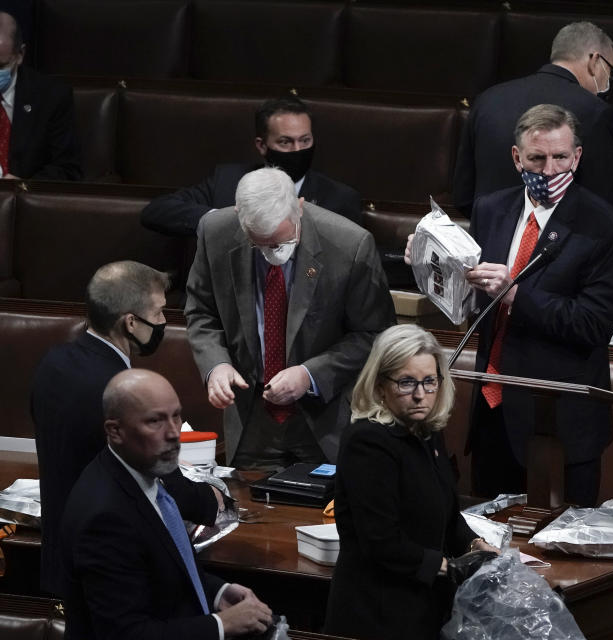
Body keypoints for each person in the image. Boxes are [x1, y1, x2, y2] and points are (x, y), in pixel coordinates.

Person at [459, 104, 613, 506]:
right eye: (537, 158)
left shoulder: (604, 226)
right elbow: (473, 302)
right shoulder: (490, 208)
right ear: (517, 158)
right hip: (491, 409)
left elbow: (593, 325)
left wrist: (516, 294)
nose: (550, 171)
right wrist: (432, 262)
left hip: (558, 425)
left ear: (578, 156)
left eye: (560, 158)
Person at [31, 261, 221, 597]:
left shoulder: (53, 363)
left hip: (59, 556)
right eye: (159, 312)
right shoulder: (118, 390)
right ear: (131, 322)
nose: (163, 322)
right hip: (112, 563)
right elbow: (157, 476)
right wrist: (212, 501)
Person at [185, 167, 395, 469]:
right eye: (259, 244)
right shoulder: (215, 231)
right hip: (251, 415)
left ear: (299, 206)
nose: (272, 253)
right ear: (238, 215)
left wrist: (310, 374)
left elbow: (375, 333)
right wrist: (216, 364)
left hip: (325, 416)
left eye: (281, 243)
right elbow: (201, 310)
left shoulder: (350, 244)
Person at [60, 369, 274, 639]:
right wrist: (222, 625)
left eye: (176, 416)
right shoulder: (105, 517)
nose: (174, 433)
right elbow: (126, 633)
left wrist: (217, 591)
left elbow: (164, 570)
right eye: (155, 421)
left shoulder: (146, 471)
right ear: (115, 431)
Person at [324, 324, 498, 640]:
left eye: (429, 382)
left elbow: (446, 514)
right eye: (407, 382)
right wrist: (451, 567)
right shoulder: (368, 442)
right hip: (378, 616)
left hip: (425, 609)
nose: (420, 394)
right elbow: (381, 541)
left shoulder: (426, 432)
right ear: (379, 386)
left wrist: (475, 545)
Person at [452, 21, 613, 217]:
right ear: (595, 61)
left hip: (490, 241)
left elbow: (463, 196)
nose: (609, 82)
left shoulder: (486, 100)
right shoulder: (597, 111)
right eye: (610, 72)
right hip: (563, 243)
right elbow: (603, 204)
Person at [141, 96, 362, 236]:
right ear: (262, 145)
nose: (297, 150)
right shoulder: (227, 181)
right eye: (285, 142)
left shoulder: (339, 198)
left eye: (305, 141)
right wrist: (224, 220)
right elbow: (157, 211)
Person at [0, 10, 81, 180]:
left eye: (1, 66)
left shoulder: (52, 97)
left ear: (20, 55)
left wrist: (23, 190)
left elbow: (67, 169)